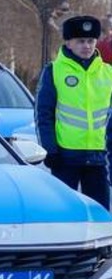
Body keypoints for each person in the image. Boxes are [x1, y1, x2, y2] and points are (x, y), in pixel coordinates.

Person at [36, 15, 112, 209]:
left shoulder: (108, 73)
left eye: (90, 41)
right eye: (80, 41)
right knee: (64, 211)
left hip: (98, 157)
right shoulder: (54, 71)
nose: (86, 46)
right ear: (69, 43)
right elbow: (43, 114)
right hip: (65, 157)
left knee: (100, 213)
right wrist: (50, 150)